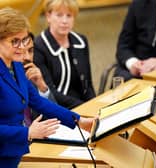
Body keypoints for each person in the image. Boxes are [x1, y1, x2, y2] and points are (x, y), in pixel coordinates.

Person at [0, 7, 95, 168]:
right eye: (14, 41)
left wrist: (78, 120)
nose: (22, 47)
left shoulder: (16, 65)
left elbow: (38, 101)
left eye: (24, 40)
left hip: (13, 153)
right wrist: (27, 133)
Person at [34, 0, 96, 109]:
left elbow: (88, 85)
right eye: (59, 15)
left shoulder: (81, 41)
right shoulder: (38, 46)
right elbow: (50, 93)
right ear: (48, 16)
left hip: (84, 107)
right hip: (56, 110)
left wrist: (96, 105)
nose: (64, 21)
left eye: (69, 16)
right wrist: (85, 107)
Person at [114, 0, 156, 81]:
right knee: (122, 83)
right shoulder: (139, 3)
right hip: (135, 69)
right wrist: (133, 63)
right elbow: (123, 44)